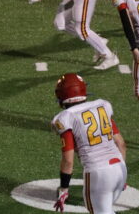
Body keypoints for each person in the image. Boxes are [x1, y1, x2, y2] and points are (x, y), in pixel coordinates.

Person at [51, 73, 128, 214]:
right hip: (120, 168)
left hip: (98, 172)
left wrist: (64, 188)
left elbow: (68, 161)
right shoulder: (102, 106)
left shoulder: (66, 117)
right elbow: (121, 144)